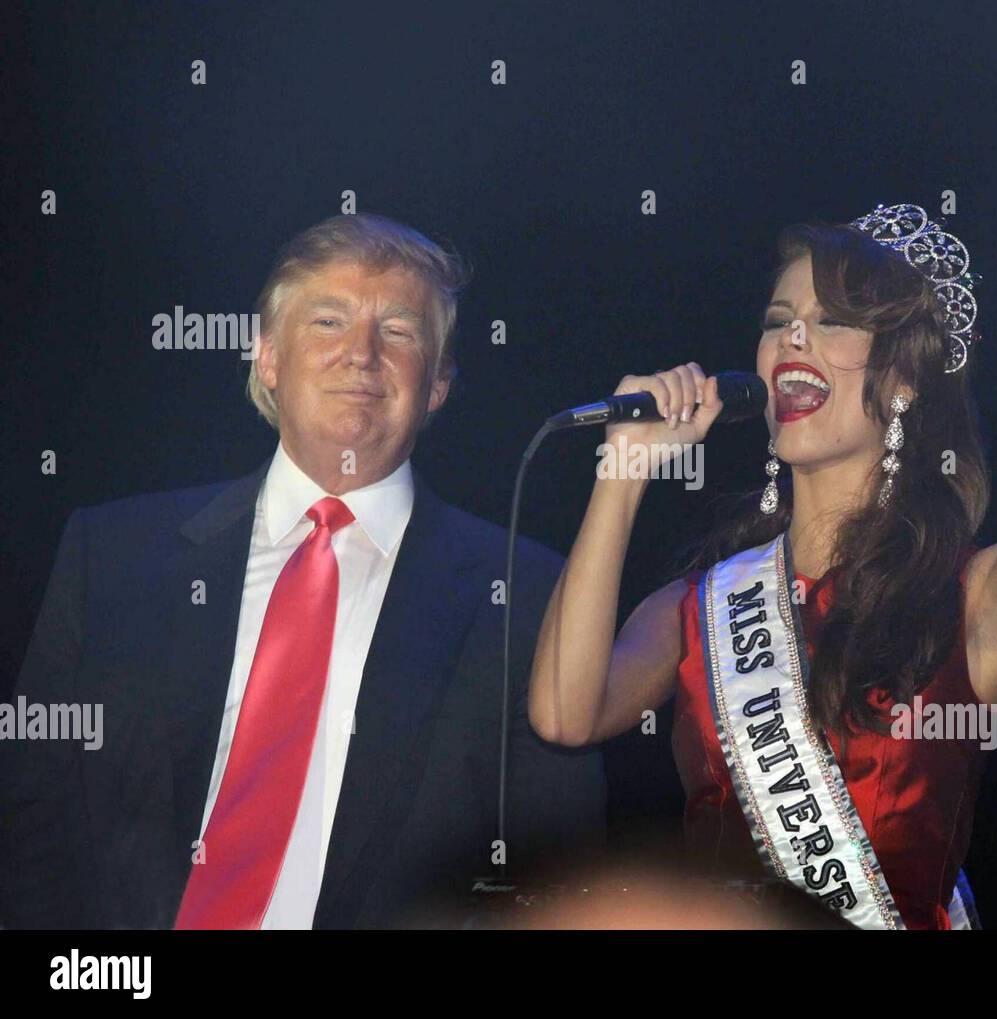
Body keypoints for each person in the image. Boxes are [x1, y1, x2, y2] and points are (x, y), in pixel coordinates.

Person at [529, 66, 997, 929]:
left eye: (832, 321)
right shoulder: (696, 609)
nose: (792, 338)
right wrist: (624, 469)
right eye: (776, 319)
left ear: (906, 377)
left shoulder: (972, 604)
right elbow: (564, 713)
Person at [0, 213, 605, 930]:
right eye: (327, 320)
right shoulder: (111, 554)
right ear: (268, 359)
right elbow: (31, 821)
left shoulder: (528, 596)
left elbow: (560, 875)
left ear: (438, 383)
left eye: (400, 331)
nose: (362, 353)